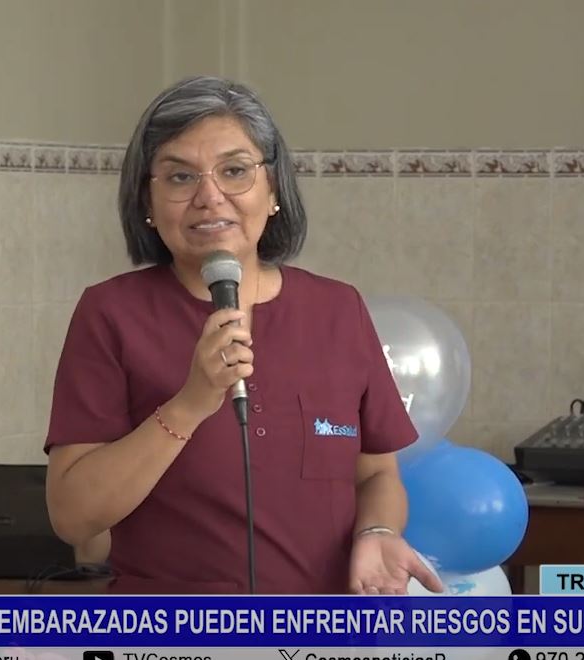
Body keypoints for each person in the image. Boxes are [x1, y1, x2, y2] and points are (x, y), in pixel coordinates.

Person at [43, 76, 443, 595]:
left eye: (234, 171)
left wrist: (378, 532)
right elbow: (73, 518)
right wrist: (190, 405)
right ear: (148, 201)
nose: (210, 197)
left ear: (273, 189)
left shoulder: (338, 309)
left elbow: (376, 476)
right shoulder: (111, 313)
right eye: (180, 177)